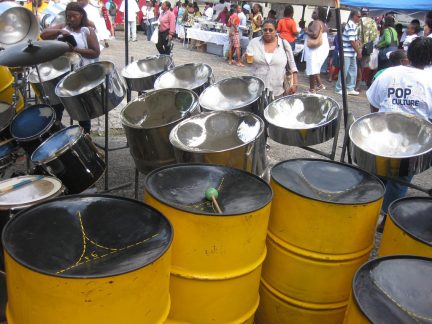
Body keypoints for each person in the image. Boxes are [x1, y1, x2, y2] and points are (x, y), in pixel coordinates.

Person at [366, 37, 432, 230]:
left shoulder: (389, 74)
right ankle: (387, 218)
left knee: (377, 176)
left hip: (384, 136)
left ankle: (371, 212)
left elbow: (374, 103)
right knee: (399, 181)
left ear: (408, 54)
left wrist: (379, 123)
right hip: (413, 143)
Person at [40, 2, 100, 134]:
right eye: (69, 16)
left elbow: (95, 52)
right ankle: (56, 132)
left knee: (81, 107)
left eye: (74, 16)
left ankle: (85, 135)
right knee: (57, 104)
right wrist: (60, 31)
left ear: (81, 15)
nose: (71, 19)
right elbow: (43, 35)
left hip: (80, 73)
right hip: (61, 72)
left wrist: (75, 49)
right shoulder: (64, 27)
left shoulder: (87, 30)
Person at [245, 20, 298, 98]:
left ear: (276, 30)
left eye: (271, 30)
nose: (267, 32)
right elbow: (248, 62)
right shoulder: (254, 42)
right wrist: (244, 58)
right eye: (265, 30)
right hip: (255, 89)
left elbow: (292, 64)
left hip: (277, 91)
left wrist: (295, 83)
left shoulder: (284, 44)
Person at [335, 9, 362, 95]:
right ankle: (339, 88)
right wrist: (358, 52)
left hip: (351, 53)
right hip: (346, 52)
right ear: (353, 16)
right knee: (344, 71)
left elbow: (354, 40)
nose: (360, 18)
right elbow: (352, 41)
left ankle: (350, 88)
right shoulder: (351, 25)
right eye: (358, 16)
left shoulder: (354, 25)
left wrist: (357, 42)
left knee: (352, 71)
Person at [304, 7, 330, 93]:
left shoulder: (316, 22)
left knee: (312, 68)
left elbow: (315, 34)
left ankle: (312, 89)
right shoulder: (323, 23)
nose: (313, 13)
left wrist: (306, 31)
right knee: (315, 68)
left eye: (315, 12)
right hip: (321, 49)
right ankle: (319, 85)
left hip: (315, 49)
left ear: (319, 15)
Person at [356, 8, 378, 91]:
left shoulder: (357, 20)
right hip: (367, 48)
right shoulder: (372, 22)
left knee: (355, 66)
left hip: (357, 46)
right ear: (368, 13)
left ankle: (353, 84)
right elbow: (374, 36)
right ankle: (357, 85)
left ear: (361, 13)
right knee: (361, 67)